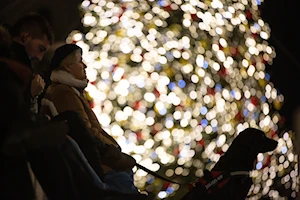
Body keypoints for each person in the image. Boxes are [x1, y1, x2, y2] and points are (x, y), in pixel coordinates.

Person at [40, 43, 139, 194]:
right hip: (105, 168)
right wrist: (115, 154)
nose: (84, 65)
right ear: (67, 66)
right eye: (80, 61)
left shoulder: (69, 91)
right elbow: (86, 132)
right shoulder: (64, 92)